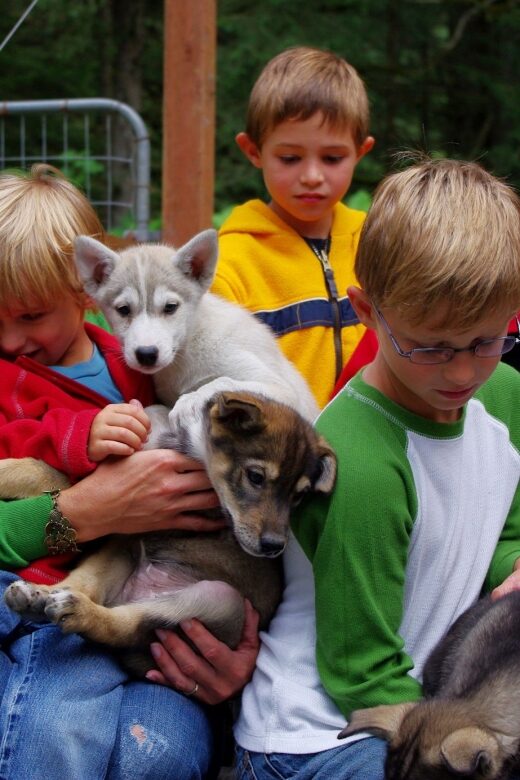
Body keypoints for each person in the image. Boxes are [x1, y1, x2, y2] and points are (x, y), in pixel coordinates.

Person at [232, 156, 520, 779]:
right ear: (366, 311)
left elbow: (506, 529)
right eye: (430, 347)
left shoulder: (502, 397)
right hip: (319, 731)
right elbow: (357, 669)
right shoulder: (361, 462)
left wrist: (513, 569)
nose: (463, 373)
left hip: (422, 697)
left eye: (485, 341)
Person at [0, 164, 254, 778]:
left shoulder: (141, 359)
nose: (10, 340)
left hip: (160, 595)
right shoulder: (10, 376)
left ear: (87, 285)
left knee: (155, 755)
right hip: (46, 591)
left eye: (30, 316)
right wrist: (86, 487)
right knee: (61, 714)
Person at [212, 46, 377, 409]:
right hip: (285, 454)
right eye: (290, 158)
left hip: (377, 442)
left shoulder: (378, 243)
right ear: (253, 151)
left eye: (332, 158)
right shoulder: (230, 265)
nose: (312, 177)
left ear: (361, 152)